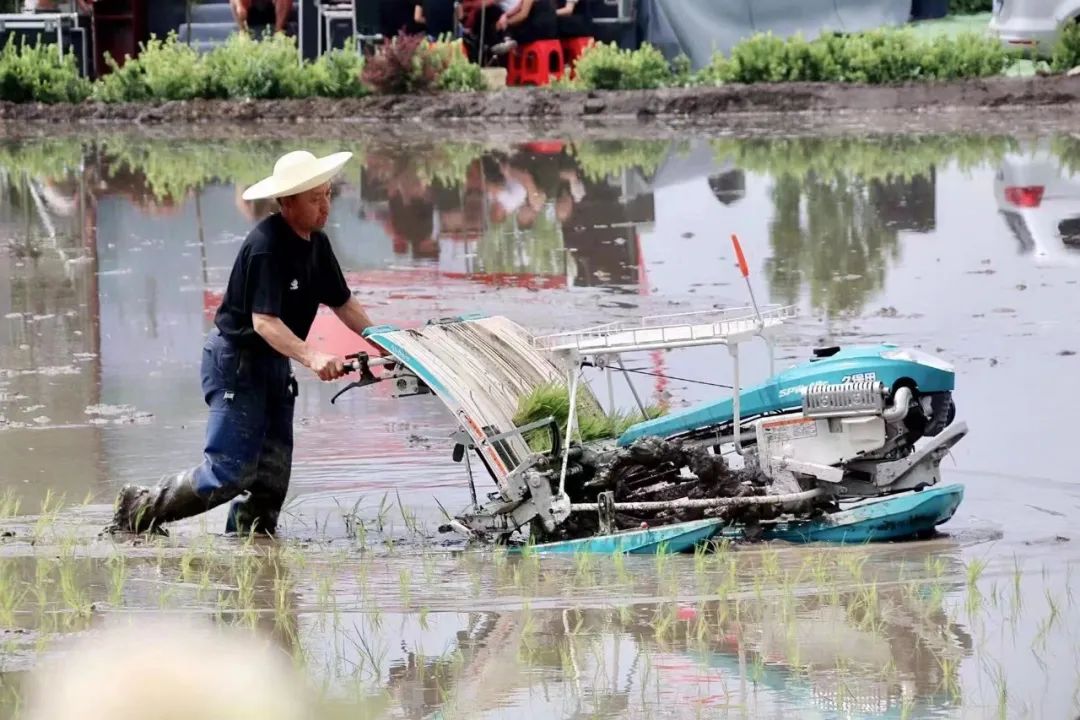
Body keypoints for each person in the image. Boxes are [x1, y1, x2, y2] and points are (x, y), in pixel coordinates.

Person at [107, 150, 378, 537]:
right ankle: (139, 508)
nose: (325, 206)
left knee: (270, 479)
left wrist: (384, 342)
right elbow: (264, 322)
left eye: (328, 195)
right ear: (287, 202)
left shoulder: (317, 244)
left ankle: (252, 553)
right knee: (229, 472)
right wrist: (313, 355)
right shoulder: (267, 245)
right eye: (314, 198)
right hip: (237, 362)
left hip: (275, 364)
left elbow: (343, 302)